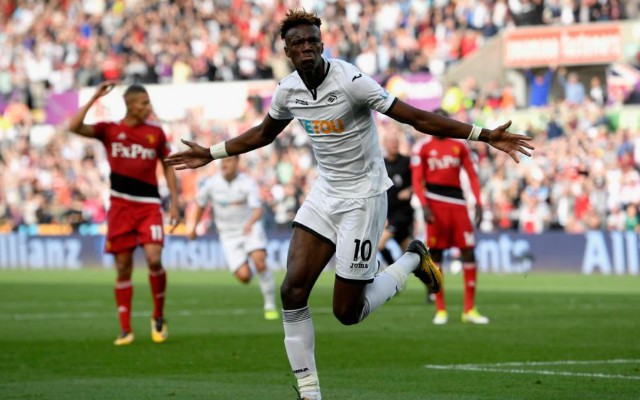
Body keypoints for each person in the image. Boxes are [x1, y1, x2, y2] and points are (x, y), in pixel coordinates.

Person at [166, 10, 533, 400]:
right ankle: (309, 391)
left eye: (313, 41)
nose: (307, 47)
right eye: (298, 43)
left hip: (364, 197)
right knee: (292, 291)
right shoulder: (287, 90)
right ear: (286, 50)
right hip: (326, 193)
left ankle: (412, 260)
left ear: (322, 45)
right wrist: (211, 152)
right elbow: (262, 133)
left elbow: (414, 117)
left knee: (347, 313)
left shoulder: (351, 81)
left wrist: (483, 134)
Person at [68, 82, 180, 346]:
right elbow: (73, 126)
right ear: (130, 105)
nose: (148, 107)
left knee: (153, 258)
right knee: (122, 267)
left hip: (149, 205)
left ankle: (158, 316)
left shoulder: (156, 133)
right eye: (144, 102)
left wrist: (175, 202)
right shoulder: (110, 130)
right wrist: (95, 96)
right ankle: (125, 329)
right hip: (120, 207)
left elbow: (167, 167)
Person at [412, 108, 489, 325]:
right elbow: (417, 181)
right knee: (436, 256)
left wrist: (479, 202)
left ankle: (469, 309)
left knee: (469, 253)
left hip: (458, 204)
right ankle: (441, 309)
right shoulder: (423, 148)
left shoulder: (459, 145)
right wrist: (424, 205)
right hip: (435, 204)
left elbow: (472, 175)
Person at [188, 156, 279, 320]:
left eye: (228, 161)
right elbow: (200, 204)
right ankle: (256, 272)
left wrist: (251, 222)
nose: (224, 164)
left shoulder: (247, 183)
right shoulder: (211, 184)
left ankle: (270, 305)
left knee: (259, 261)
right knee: (244, 277)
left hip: (249, 228)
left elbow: (258, 210)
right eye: (222, 161)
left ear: (237, 162)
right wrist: (193, 227)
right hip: (228, 235)